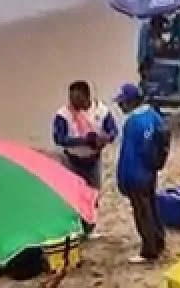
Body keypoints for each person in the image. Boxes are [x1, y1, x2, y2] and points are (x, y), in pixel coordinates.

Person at [115, 83, 170, 264]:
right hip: (149, 172)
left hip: (135, 175)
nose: (120, 106)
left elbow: (128, 155)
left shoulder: (132, 123)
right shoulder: (153, 115)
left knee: (142, 212)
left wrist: (123, 180)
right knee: (152, 207)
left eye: (122, 102)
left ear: (131, 102)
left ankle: (149, 250)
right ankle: (159, 240)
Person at [52, 80, 117, 194]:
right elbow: (59, 139)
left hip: (94, 160)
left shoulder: (101, 110)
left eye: (77, 99)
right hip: (71, 161)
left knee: (94, 193)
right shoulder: (63, 114)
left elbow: (113, 131)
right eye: (71, 98)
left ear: (87, 96)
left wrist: (105, 138)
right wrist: (84, 141)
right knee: (72, 194)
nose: (73, 103)